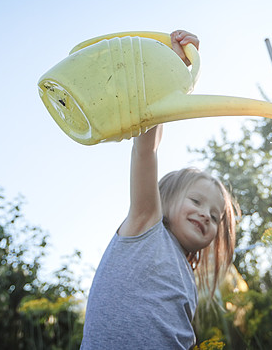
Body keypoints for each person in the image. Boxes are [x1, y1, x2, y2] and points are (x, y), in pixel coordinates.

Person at [80, 30, 239, 350]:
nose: (206, 216)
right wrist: (167, 71)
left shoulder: (184, 272)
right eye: (196, 201)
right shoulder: (146, 225)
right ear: (163, 200)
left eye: (215, 215)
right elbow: (146, 151)